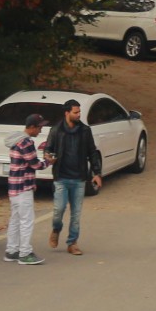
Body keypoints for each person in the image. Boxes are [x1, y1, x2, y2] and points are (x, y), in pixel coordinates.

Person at [45, 99, 102, 255]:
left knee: (76, 214)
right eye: (75, 112)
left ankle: (72, 243)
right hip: (61, 178)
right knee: (59, 210)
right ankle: (56, 229)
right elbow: (48, 149)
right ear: (67, 113)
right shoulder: (56, 130)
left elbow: (92, 152)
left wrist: (97, 173)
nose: (79, 115)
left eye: (79, 112)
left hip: (79, 178)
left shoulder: (85, 130)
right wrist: (49, 157)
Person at [3, 111, 46, 265]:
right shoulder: (26, 142)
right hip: (23, 187)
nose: (40, 130)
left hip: (13, 187)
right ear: (32, 127)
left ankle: (11, 250)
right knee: (27, 220)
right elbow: (35, 164)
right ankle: (25, 253)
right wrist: (48, 162)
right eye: (39, 127)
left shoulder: (16, 140)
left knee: (15, 219)